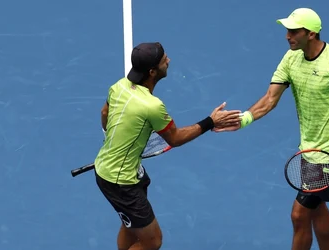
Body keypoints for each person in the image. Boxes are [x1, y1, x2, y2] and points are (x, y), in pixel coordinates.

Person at [214, 8, 329, 250]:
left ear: (311, 34)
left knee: (299, 214)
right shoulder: (292, 58)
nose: (287, 36)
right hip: (308, 148)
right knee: (317, 207)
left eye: (293, 31)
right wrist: (244, 119)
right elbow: (270, 98)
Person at [94, 42, 241, 250]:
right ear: (153, 71)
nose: (169, 61)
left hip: (111, 169)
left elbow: (104, 114)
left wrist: (116, 141)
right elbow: (175, 138)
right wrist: (211, 121)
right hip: (122, 183)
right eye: (164, 60)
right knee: (152, 241)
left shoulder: (118, 86)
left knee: (130, 225)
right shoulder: (152, 106)